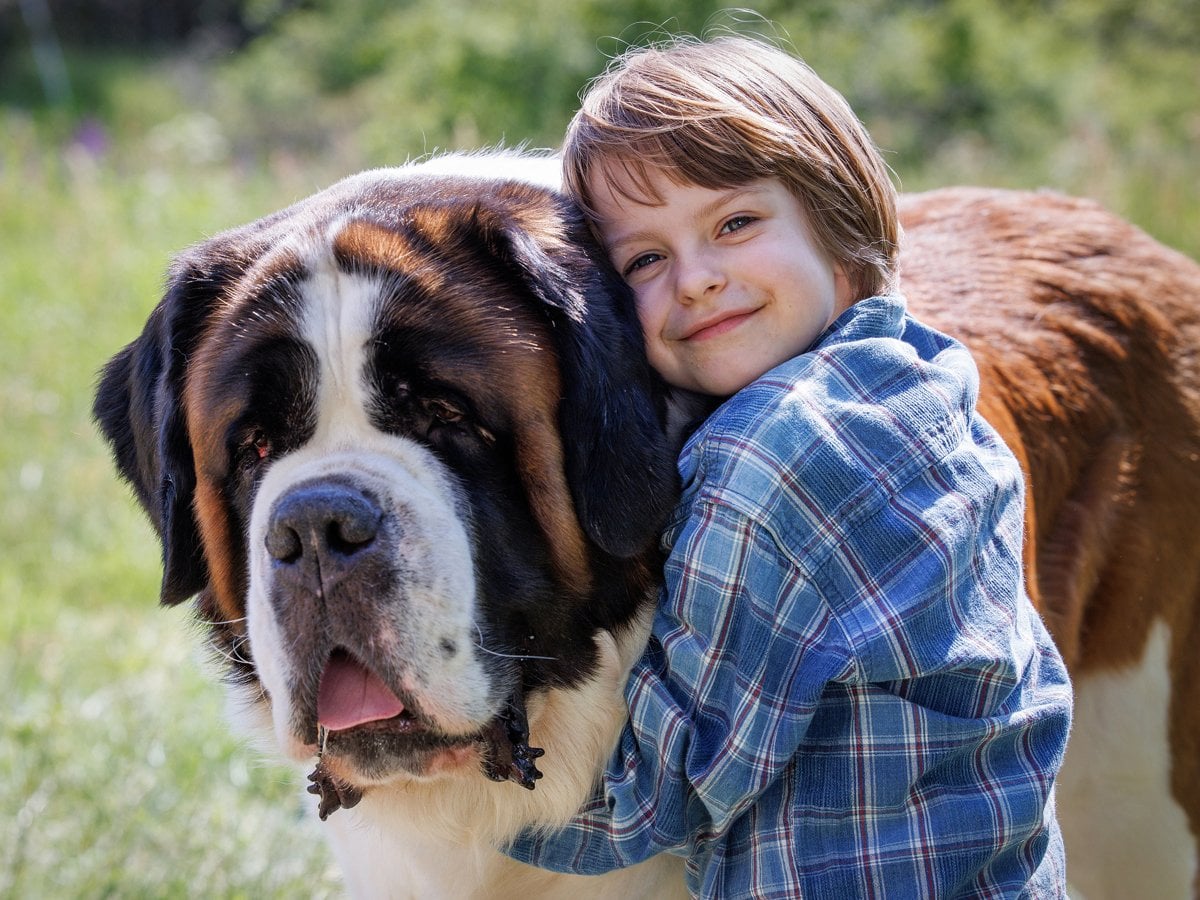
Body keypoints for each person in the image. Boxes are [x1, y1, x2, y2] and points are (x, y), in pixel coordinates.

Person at [505, 34, 1072, 898]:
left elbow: (666, 786)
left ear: (837, 223)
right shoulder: (923, 380)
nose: (694, 279)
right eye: (645, 260)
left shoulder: (772, 461)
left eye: (734, 223)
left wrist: (458, 773)